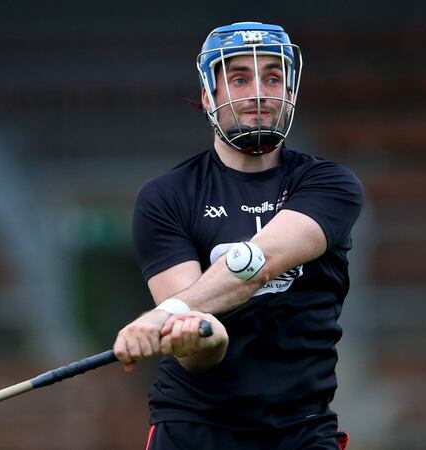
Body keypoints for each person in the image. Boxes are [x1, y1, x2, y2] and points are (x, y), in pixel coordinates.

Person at [112, 21, 363, 450]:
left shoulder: (331, 185)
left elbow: (259, 264)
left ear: (290, 91)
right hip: (193, 426)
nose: (259, 93)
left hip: (300, 429)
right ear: (209, 95)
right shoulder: (166, 197)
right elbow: (196, 352)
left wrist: (166, 314)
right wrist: (197, 332)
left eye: (272, 76)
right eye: (239, 78)